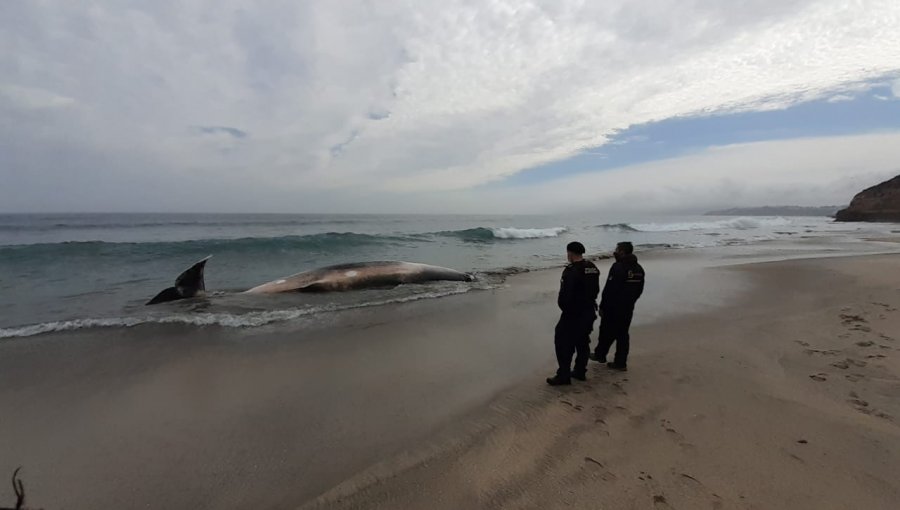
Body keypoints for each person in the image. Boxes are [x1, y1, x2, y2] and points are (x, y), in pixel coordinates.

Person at [547, 241, 601, 386]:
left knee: (563, 342)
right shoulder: (592, 267)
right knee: (582, 341)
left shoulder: (571, 271)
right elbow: (596, 290)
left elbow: (566, 295)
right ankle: (580, 371)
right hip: (589, 311)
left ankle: (563, 375)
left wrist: (564, 308)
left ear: (570, 253)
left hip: (573, 313)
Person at [591, 242, 645, 371]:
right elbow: (639, 289)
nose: (614, 251)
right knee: (622, 334)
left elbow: (610, 289)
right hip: (628, 307)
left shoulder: (618, 267)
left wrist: (603, 306)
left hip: (613, 307)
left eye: (616, 249)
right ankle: (618, 360)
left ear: (622, 252)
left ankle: (602, 355)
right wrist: (631, 301)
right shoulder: (639, 269)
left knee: (606, 331)